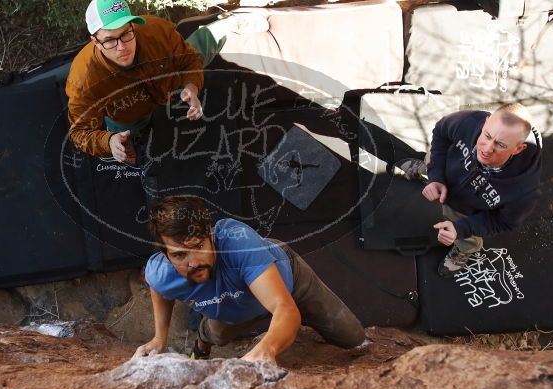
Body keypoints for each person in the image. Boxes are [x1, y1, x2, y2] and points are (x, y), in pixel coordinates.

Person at [133, 196, 366, 364]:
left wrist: (267, 349)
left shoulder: (240, 244)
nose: (193, 263)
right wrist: (159, 338)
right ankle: (202, 344)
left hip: (289, 280)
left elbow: (284, 308)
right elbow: (157, 287)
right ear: (165, 256)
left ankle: (288, 329)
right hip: (231, 303)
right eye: (180, 255)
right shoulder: (161, 272)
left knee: (353, 338)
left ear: (211, 234)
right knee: (217, 334)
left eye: (198, 247)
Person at [66, 0, 269, 164]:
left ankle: (228, 25)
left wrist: (191, 86)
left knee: (197, 51)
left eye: (126, 33)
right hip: (128, 114)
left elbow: (189, 60)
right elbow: (79, 132)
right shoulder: (83, 80)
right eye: (110, 40)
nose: (122, 47)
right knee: (123, 138)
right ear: (95, 41)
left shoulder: (156, 30)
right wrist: (108, 142)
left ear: (133, 26)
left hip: (168, 83)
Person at [390, 103, 542, 277]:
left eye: (500, 145)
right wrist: (436, 175)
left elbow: (504, 222)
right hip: (447, 167)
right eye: (487, 135)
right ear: (486, 122)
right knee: (432, 161)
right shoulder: (469, 121)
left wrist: (461, 228)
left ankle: (465, 249)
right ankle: (425, 170)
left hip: (466, 211)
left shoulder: (524, 190)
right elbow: (441, 131)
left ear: (518, 149)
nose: (486, 149)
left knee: (466, 236)